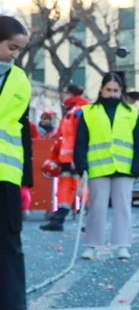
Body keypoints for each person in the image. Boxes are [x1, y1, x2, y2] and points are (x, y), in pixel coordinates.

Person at [74, 73, 139, 261]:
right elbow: (81, 140)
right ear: (101, 90)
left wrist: (137, 166)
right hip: (98, 167)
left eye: (116, 90)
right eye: (109, 90)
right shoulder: (89, 112)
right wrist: (81, 163)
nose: (112, 94)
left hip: (124, 167)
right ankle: (91, 245)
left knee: (123, 207)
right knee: (96, 207)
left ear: (121, 91)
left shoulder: (131, 112)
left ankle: (123, 245)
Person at [0, 16, 36, 310]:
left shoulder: (20, 79)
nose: (15, 55)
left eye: (20, 50)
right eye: (12, 47)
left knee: (10, 242)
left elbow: (23, 131)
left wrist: (27, 179)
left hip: (6, 175)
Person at [41, 84, 87, 231]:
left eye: (64, 92)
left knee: (77, 187)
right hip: (67, 158)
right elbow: (62, 136)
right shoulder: (72, 110)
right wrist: (54, 157)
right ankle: (59, 218)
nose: (62, 95)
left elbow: (79, 136)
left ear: (71, 93)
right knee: (67, 187)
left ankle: (87, 219)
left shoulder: (79, 111)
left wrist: (76, 157)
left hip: (73, 158)